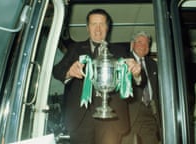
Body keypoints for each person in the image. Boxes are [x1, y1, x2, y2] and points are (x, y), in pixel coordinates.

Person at [53, 8, 142, 144]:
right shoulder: (75, 49)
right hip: (81, 118)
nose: (98, 29)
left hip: (112, 119)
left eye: (102, 24)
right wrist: (69, 72)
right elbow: (57, 71)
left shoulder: (120, 51)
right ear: (88, 28)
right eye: (94, 24)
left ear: (108, 27)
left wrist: (136, 74)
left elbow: (138, 80)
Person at [123, 31, 161, 144]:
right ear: (132, 44)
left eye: (146, 44)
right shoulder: (124, 61)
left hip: (150, 111)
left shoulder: (154, 65)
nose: (143, 46)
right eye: (140, 42)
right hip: (129, 113)